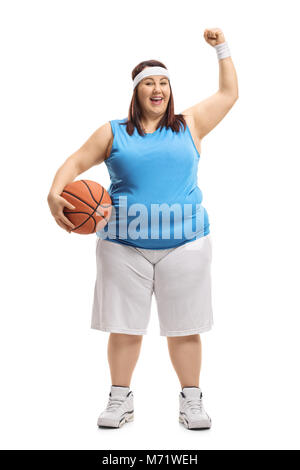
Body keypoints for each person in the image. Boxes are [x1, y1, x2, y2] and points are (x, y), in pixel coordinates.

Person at [47, 27, 238, 430]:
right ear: (136, 91)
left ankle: (191, 400)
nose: (158, 89)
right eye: (149, 83)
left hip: (184, 242)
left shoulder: (190, 125)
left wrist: (221, 48)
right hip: (123, 244)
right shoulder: (113, 131)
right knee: (124, 327)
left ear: (171, 90)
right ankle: (120, 398)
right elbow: (76, 163)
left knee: (185, 328)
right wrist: (53, 192)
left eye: (164, 82)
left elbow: (228, 95)